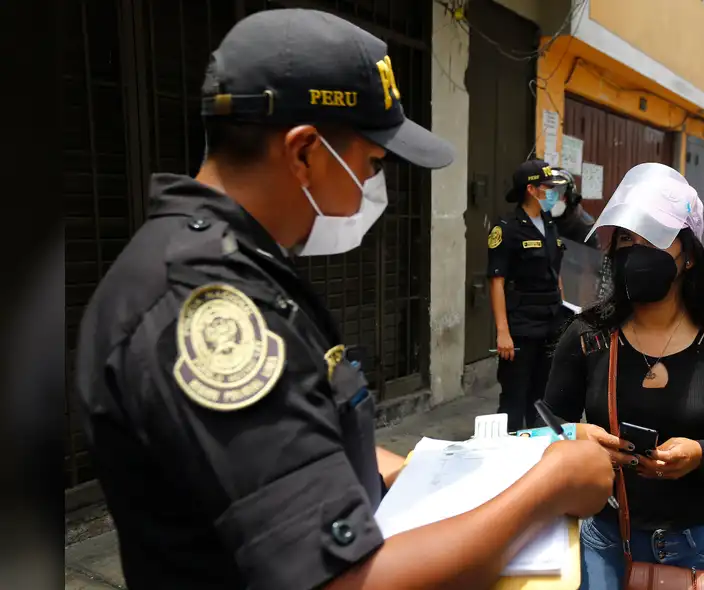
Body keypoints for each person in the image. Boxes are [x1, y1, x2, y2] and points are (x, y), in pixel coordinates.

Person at [73, 11, 614, 590]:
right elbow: (341, 580)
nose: (373, 186)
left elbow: (280, 450)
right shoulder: (203, 311)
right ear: (304, 152)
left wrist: (421, 472)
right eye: (371, 164)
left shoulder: (234, 262)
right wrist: (546, 487)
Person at [541, 163, 704, 590]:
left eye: (653, 238)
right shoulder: (588, 337)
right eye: (624, 239)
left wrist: (702, 454)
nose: (635, 250)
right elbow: (542, 427)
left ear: (687, 254)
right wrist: (574, 436)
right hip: (607, 544)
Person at [488, 160, 569, 430]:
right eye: (548, 188)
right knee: (514, 398)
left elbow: (554, 272)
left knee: (543, 398)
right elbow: (497, 282)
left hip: (550, 324)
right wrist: (503, 332)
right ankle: (508, 458)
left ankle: (538, 456)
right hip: (521, 326)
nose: (554, 193)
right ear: (532, 190)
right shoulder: (507, 229)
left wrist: (563, 313)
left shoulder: (550, 224)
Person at [550, 167, 599, 248]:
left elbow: (592, 257)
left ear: (570, 197)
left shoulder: (585, 225)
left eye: (558, 193)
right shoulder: (537, 218)